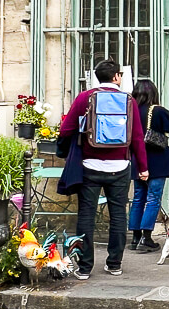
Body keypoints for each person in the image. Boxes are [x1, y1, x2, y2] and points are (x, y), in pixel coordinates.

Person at [59, 58, 148, 279]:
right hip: (120, 167)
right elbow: (137, 137)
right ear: (117, 77)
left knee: (86, 216)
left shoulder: (84, 98)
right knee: (118, 215)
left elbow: (66, 129)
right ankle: (114, 263)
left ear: (96, 77)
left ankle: (85, 267)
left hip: (90, 166)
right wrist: (143, 167)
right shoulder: (129, 101)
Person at [128, 79, 169, 252]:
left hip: (138, 160)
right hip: (156, 160)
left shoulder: (131, 111)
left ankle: (135, 238)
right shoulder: (156, 110)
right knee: (153, 198)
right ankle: (146, 238)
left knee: (138, 198)